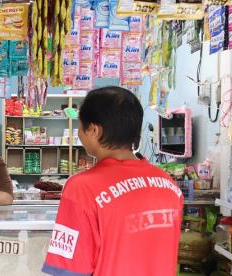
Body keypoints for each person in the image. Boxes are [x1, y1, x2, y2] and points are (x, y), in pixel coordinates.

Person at [42, 86, 183, 276]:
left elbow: (69, 270)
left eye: (80, 126)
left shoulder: (82, 187)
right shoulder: (169, 186)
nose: (80, 133)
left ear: (93, 130)